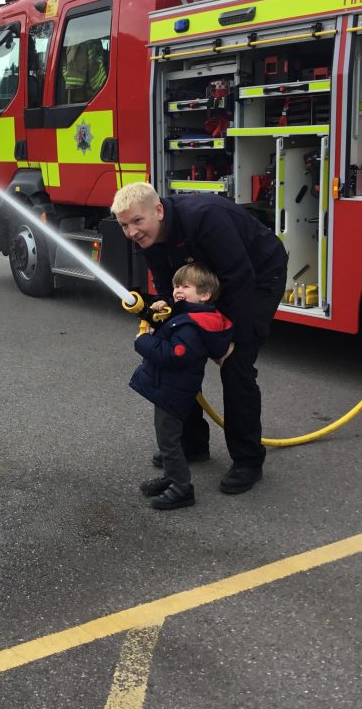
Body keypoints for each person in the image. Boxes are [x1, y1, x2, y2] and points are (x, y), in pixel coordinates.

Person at [112, 182, 288, 495]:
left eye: (137, 221)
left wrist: (229, 339)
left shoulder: (205, 217)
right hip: (205, 281)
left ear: (159, 210)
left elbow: (239, 278)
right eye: (124, 225)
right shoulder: (146, 237)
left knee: (236, 367)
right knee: (179, 356)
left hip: (256, 276)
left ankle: (248, 460)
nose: (132, 232)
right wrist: (165, 308)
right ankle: (193, 444)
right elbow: (167, 282)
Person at [130, 263, 234, 510]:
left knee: (168, 439)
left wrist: (143, 342)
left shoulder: (192, 326)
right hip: (171, 387)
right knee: (167, 437)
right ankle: (170, 476)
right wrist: (156, 310)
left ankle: (181, 487)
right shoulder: (188, 316)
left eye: (185, 286)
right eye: (176, 285)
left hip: (173, 390)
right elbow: (168, 326)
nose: (177, 291)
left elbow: (175, 355)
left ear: (205, 294)